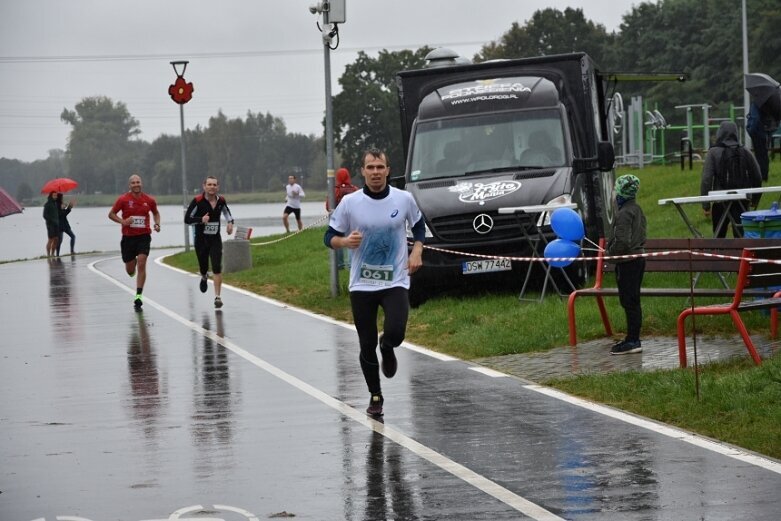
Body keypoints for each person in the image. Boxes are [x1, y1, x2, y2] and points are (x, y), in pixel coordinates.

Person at [324, 148, 425, 417]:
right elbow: (329, 237)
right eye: (371, 168)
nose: (376, 172)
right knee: (365, 343)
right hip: (362, 285)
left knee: (396, 331)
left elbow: (419, 227)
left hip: (395, 280)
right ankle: (375, 395)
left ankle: (388, 345)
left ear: (388, 170)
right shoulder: (350, 203)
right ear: (363, 171)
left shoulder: (403, 199)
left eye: (380, 167)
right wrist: (345, 242)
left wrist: (417, 251)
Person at [700, 121, 762, 238]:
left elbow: (706, 179)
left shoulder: (713, 152)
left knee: (719, 236)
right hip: (742, 201)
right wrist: (755, 199)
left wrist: (706, 205)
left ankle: (719, 254)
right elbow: (757, 176)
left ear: (720, 133)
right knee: (741, 236)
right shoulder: (745, 151)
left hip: (720, 201)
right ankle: (742, 255)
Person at [108, 173, 161, 310]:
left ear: (141, 184)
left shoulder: (149, 200)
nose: (136, 185)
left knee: (142, 263)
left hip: (144, 236)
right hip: (128, 238)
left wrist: (157, 224)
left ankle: (138, 295)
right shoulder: (123, 199)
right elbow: (111, 214)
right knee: (130, 269)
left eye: (138, 182)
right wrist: (123, 221)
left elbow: (156, 213)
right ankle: (132, 266)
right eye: (133, 183)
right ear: (129, 185)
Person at [607, 174, 647, 355]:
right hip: (638, 260)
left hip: (628, 262)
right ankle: (632, 337)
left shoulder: (624, 213)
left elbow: (622, 241)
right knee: (633, 300)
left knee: (629, 301)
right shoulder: (637, 209)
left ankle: (633, 340)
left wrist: (610, 253)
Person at [184, 176, 235, 309]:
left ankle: (218, 297)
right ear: (204, 186)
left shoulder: (221, 201)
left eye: (214, 185)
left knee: (217, 267)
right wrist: (201, 219)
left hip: (215, 239)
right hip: (201, 239)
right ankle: (204, 276)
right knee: (203, 266)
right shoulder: (197, 201)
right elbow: (187, 219)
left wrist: (230, 223)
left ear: (218, 187)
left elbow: (227, 213)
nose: (212, 187)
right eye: (209, 185)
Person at [326, 167, 359, 269]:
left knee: (338, 241)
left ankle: (340, 265)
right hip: (353, 219)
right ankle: (350, 265)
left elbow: (328, 206)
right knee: (351, 241)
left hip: (339, 220)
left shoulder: (335, 190)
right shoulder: (355, 189)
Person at [747, 101, 771, 182]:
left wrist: (750, 130)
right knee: (764, 155)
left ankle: (760, 175)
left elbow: (755, 118)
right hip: (766, 131)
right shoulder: (767, 104)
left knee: (759, 155)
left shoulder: (756, 103)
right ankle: (765, 175)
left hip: (757, 132)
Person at [43, 191, 60, 257]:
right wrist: (51, 220)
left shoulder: (55, 204)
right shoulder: (47, 204)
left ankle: (53, 254)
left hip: (56, 224)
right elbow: (44, 215)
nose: (55, 197)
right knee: (51, 239)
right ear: (51, 196)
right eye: (54, 195)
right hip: (50, 225)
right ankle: (48, 254)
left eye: (56, 195)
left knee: (56, 239)